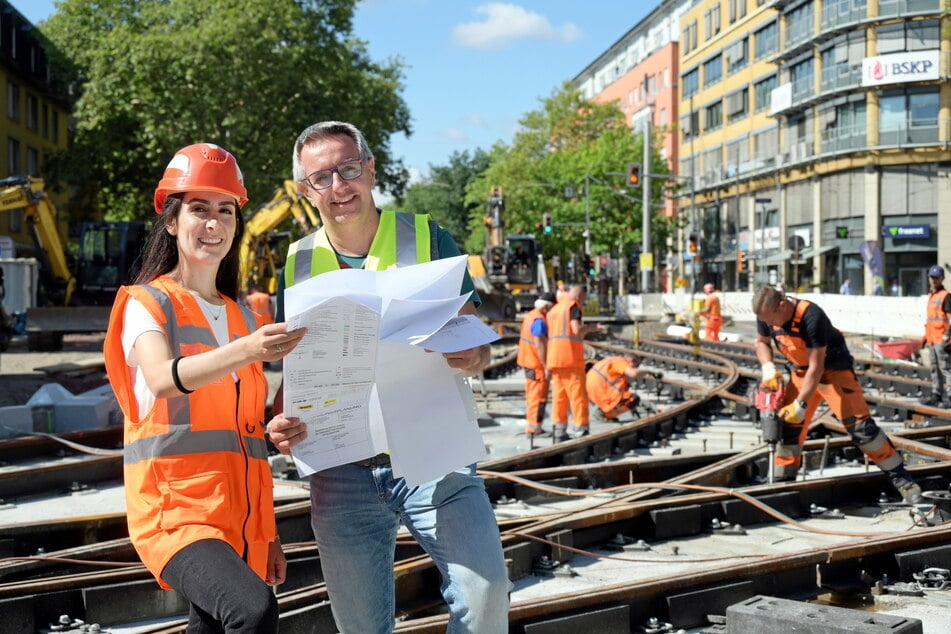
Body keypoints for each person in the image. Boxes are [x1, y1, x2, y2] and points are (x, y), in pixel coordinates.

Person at [264, 121, 509, 633]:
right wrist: (283, 418)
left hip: (434, 458)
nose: (338, 187)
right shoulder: (297, 262)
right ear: (306, 191)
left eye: (348, 169)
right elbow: (299, 367)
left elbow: (476, 338)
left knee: (485, 597)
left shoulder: (428, 237)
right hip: (341, 470)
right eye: (320, 178)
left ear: (370, 169)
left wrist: (476, 354)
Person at [102, 144, 307, 632]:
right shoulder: (145, 304)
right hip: (175, 512)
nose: (213, 223)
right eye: (198, 209)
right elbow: (160, 378)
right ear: (172, 221)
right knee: (252, 611)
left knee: (211, 625)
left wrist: (269, 532)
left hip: (238, 518)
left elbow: (242, 434)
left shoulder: (243, 318)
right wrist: (250, 351)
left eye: (225, 210)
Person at [752, 286, 922, 503]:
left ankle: (902, 480)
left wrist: (800, 405)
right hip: (799, 372)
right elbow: (762, 342)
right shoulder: (765, 314)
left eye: (770, 320)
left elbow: (817, 366)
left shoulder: (811, 316)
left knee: (862, 429)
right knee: (789, 430)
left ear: (782, 306)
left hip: (832, 372)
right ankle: (783, 485)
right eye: (763, 320)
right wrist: (767, 367)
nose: (767, 325)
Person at [547, 284, 600, 441]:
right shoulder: (573, 307)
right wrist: (592, 328)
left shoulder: (555, 310)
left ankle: (559, 431)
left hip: (555, 358)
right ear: (579, 295)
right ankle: (581, 430)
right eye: (584, 299)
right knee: (578, 396)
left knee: (560, 396)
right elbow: (576, 330)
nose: (584, 302)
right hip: (570, 358)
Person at [517, 291, 555, 435]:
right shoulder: (539, 320)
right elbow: (539, 343)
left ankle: (534, 426)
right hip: (536, 364)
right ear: (546, 307)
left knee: (535, 396)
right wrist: (546, 366)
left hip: (529, 362)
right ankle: (534, 428)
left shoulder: (531, 316)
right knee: (537, 397)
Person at [587, 354, 662, 422]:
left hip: (591, 391)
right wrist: (648, 372)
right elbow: (634, 373)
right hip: (600, 391)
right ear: (633, 361)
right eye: (637, 366)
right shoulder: (621, 363)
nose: (635, 368)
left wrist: (633, 408)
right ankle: (605, 414)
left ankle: (605, 411)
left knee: (627, 397)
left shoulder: (613, 359)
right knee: (634, 399)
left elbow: (624, 394)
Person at [922, 265, 951, 407]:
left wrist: (947, 337)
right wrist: (925, 337)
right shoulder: (931, 296)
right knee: (934, 368)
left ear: (942, 279)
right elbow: (931, 320)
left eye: (936, 278)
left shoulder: (946, 296)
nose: (933, 280)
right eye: (932, 277)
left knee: (946, 369)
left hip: (942, 339)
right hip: (932, 339)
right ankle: (937, 394)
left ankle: (950, 396)